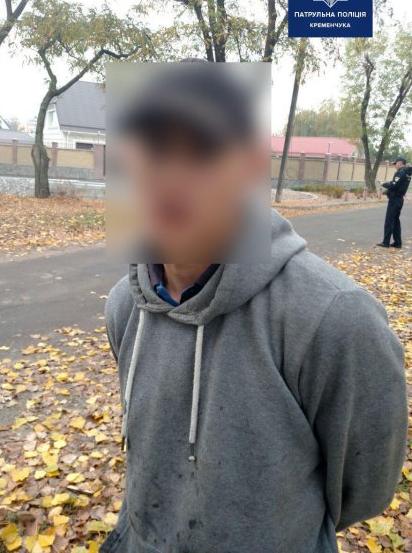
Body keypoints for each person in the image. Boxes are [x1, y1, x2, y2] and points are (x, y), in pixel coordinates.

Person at [101, 63, 407, 553]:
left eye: (201, 150)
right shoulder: (125, 305)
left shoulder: (335, 320)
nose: (170, 176)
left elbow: (364, 489)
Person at [377, 156, 411, 248]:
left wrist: (383, 183)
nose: (395, 165)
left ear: (400, 163)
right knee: (395, 221)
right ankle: (397, 242)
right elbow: (399, 185)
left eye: (396, 163)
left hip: (395, 199)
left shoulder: (401, 172)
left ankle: (386, 242)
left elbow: (393, 184)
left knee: (389, 220)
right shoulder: (407, 173)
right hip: (399, 199)